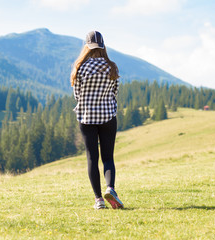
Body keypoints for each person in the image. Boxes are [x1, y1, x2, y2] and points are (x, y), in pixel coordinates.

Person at [71, 30, 124, 210]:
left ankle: (98, 200)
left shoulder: (80, 67)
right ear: (102, 46)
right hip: (108, 116)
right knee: (108, 157)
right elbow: (115, 92)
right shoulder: (112, 67)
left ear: (87, 46)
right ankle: (111, 188)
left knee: (92, 158)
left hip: (87, 118)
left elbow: (77, 95)